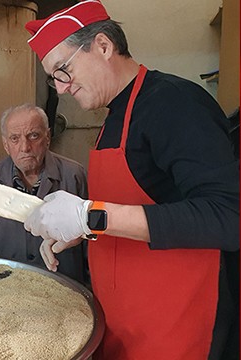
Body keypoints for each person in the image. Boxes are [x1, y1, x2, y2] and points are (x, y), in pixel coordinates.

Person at [21, 1, 239, 359]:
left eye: (63, 70)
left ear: (104, 46)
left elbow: (228, 215)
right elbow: (137, 206)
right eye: (53, 78)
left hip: (177, 328)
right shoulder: (111, 118)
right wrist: (82, 229)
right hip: (125, 323)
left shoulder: (173, 104)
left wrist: (91, 216)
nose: (59, 89)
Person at [0, 104, 88, 284]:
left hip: (65, 290)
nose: (25, 147)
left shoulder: (75, 176)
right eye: (15, 139)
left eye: (33, 136)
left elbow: (91, 247)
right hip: (8, 290)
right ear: (6, 145)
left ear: (47, 138)